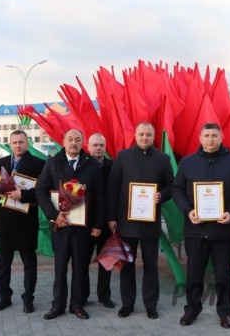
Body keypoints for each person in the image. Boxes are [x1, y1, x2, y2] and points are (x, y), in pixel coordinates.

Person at [172, 122, 230, 329]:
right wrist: (188, 211)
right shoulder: (188, 163)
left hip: (223, 229)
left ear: (221, 137)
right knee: (194, 273)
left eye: (214, 135)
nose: (211, 139)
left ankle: (225, 312)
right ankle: (192, 310)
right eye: (207, 136)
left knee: (223, 274)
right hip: (195, 230)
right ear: (200, 138)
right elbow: (177, 189)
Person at [106, 122, 174, 320]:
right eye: (141, 134)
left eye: (148, 134)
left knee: (151, 265)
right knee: (127, 264)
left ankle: (150, 305)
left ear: (154, 137)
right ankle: (128, 304)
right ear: (135, 135)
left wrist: (162, 194)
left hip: (150, 223)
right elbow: (112, 188)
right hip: (125, 222)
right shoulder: (123, 157)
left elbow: (172, 186)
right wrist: (111, 218)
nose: (145, 137)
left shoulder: (163, 159)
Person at [35, 128, 104, 320]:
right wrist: (53, 215)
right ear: (63, 141)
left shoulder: (91, 165)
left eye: (78, 140)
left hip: (83, 228)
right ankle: (57, 305)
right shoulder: (52, 163)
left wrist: (98, 224)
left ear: (83, 143)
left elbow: (99, 196)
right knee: (60, 267)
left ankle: (77, 304)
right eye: (70, 139)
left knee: (81, 267)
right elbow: (40, 190)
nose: (74, 143)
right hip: (60, 226)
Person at [0, 130, 45, 313]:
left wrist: (24, 194)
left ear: (27, 143)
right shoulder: (3, 162)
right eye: (14, 143)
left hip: (26, 220)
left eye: (21, 142)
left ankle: (28, 298)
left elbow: (42, 191)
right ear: (10, 144)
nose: (17, 145)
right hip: (6, 219)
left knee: (29, 262)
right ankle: (4, 297)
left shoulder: (39, 164)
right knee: (3, 262)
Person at [85, 133, 115, 308]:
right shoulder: (82, 165)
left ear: (105, 147)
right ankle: (83, 294)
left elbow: (114, 195)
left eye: (101, 145)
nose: (98, 148)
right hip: (85, 222)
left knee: (106, 261)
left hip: (106, 222)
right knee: (83, 261)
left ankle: (104, 295)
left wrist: (112, 218)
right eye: (95, 145)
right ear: (88, 146)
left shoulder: (112, 167)